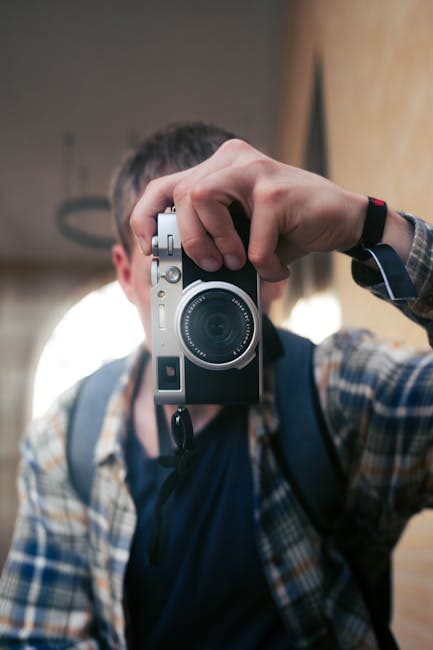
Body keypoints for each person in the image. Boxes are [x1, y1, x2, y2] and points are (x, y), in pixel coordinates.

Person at [1, 122, 433, 650]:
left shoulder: (336, 390)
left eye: (227, 262)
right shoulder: (67, 437)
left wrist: (367, 226)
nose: (203, 300)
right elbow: (37, 638)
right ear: (125, 276)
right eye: (176, 265)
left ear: (274, 269)